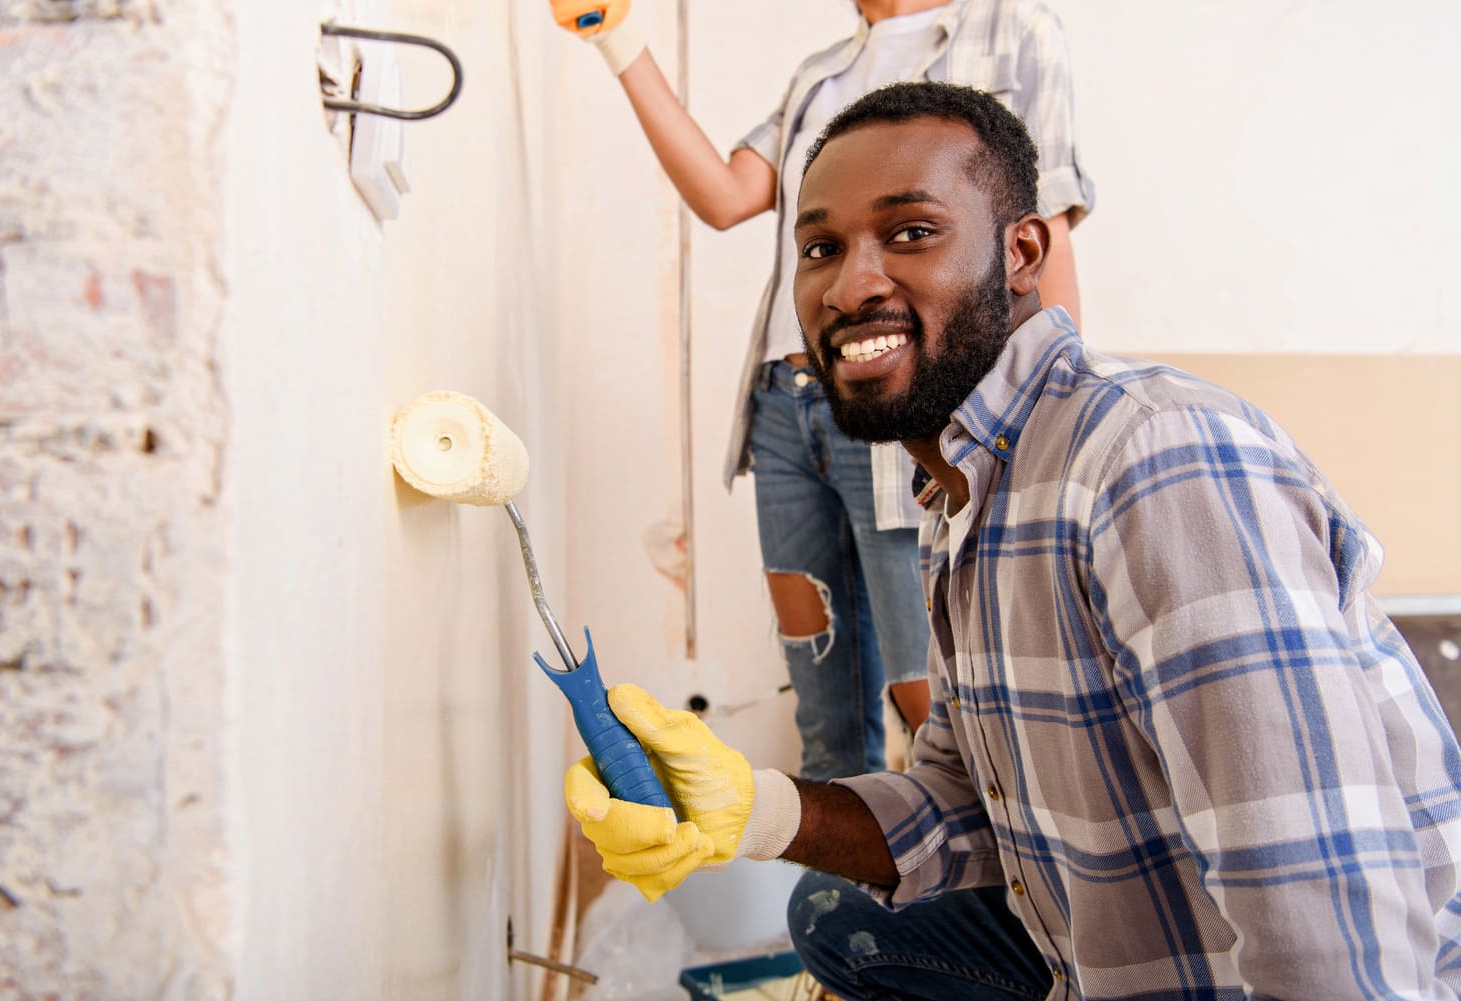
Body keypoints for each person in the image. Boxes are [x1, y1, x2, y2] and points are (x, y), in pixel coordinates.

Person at [563, 82, 1461, 998]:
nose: (850, 283)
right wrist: (760, 812)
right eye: (821, 248)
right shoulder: (963, 496)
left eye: (910, 232)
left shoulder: (1150, 460)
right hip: (1119, 944)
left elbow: (1328, 924)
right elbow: (964, 802)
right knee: (836, 918)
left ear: (1022, 252)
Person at [546, 0, 1094, 781]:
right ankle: (844, 906)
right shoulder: (820, 74)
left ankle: (982, 904)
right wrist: (617, 36)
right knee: (823, 715)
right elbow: (726, 194)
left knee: (929, 703)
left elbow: (1045, 230)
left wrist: (1055, 416)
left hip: (916, 410)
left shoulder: (1013, 33)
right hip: (788, 405)